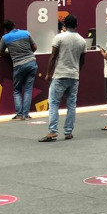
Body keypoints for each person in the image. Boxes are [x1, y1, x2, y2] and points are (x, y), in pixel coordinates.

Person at [39, 13, 86, 141]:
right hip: (74, 76)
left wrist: (48, 73)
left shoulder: (59, 38)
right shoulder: (82, 40)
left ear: (64, 25)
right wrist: (77, 71)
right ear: (76, 25)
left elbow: (53, 57)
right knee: (71, 104)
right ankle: (68, 131)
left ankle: (53, 130)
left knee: (54, 103)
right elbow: (82, 61)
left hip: (60, 75)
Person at [0, 19, 38, 120]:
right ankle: (26, 114)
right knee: (28, 90)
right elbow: (35, 47)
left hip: (18, 65)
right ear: (14, 25)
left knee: (17, 90)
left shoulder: (5, 38)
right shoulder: (26, 33)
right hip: (32, 63)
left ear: (6, 30)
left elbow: (1, 53)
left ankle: (19, 114)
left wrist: (11, 53)